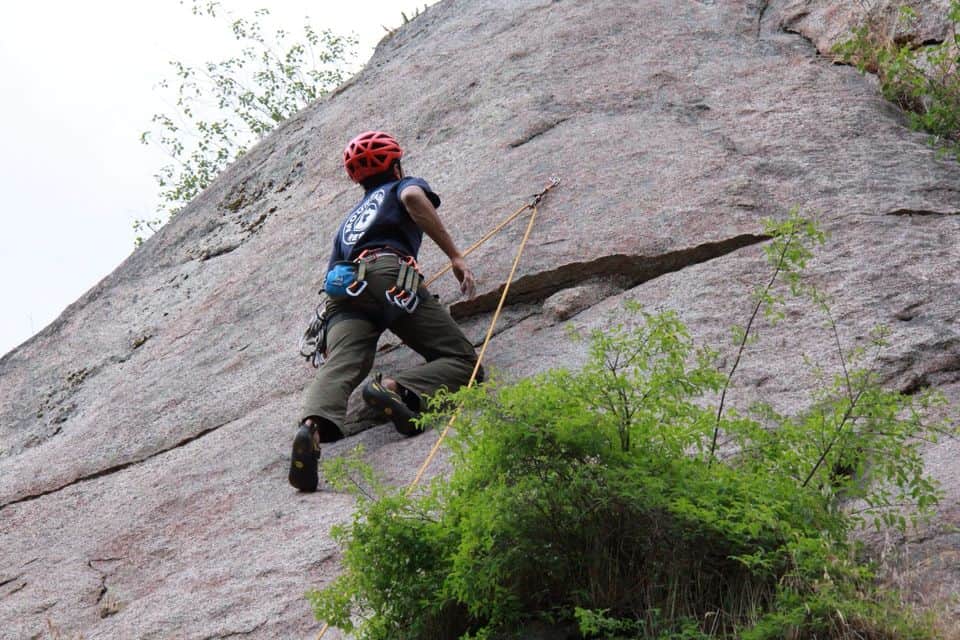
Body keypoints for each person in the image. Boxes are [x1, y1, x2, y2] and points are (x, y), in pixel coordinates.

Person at [289, 130, 480, 492]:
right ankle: (395, 388)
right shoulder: (401, 186)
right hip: (388, 275)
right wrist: (455, 256)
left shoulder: (348, 223)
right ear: (395, 166)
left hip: (344, 293)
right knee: (464, 362)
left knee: (344, 363)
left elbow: (332, 276)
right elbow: (412, 197)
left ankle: (310, 428)